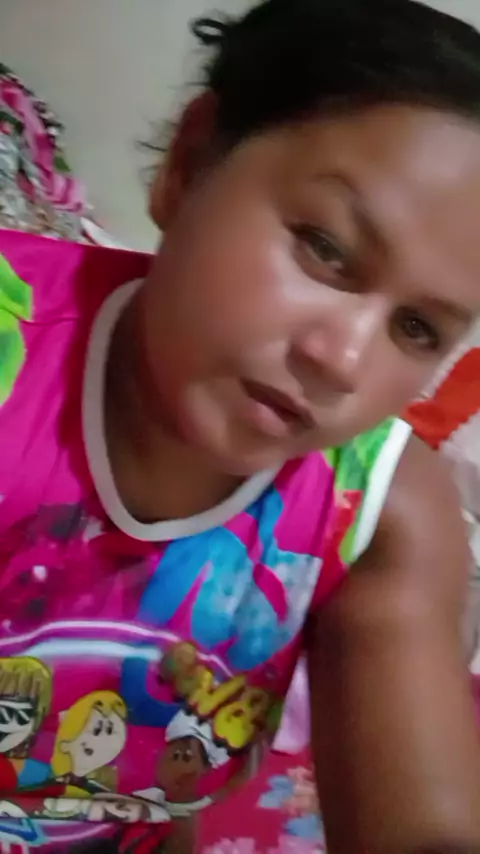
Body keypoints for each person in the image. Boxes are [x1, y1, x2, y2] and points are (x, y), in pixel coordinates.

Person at [2, 0, 480, 851]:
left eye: (418, 329)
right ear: (189, 165)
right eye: (325, 247)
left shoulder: (379, 512)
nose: (342, 359)